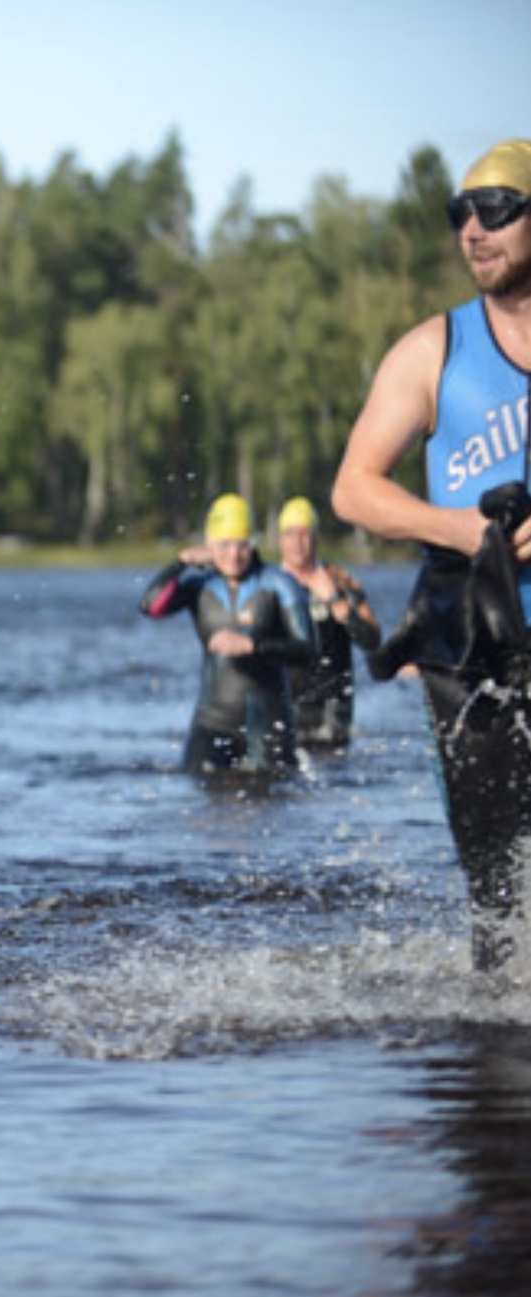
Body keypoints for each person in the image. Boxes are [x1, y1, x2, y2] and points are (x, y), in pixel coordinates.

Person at [331, 138, 531, 973]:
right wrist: (460, 529)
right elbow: (353, 490)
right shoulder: (432, 351)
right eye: (460, 213)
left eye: (494, 210)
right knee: (496, 893)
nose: (472, 231)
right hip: (468, 650)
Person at [139, 492, 316, 776]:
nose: (234, 555)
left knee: (275, 806)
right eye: (224, 545)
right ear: (208, 544)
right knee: (199, 799)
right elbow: (151, 607)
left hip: (268, 724)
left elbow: (308, 651)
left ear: (253, 543)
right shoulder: (199, 586)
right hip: (212, 722)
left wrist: (253, 646)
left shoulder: (279, 584)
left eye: (242, 545)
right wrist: (180, 563)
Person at [274, 496, 382, 748]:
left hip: (333, 711)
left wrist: (335, 601)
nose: (297, 543)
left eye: (304, 534)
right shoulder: (270, 586)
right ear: (280, 540)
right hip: (286, 706)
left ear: (315, 539)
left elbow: (372, 641)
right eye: (290, 534)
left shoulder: (341, 581)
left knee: (335, 777)